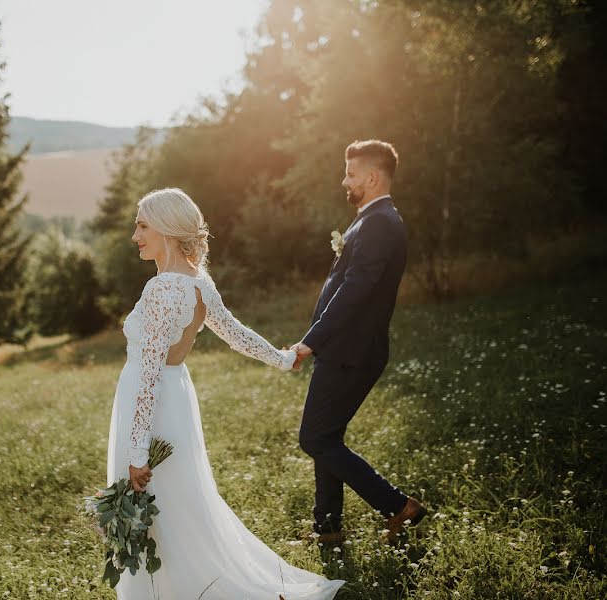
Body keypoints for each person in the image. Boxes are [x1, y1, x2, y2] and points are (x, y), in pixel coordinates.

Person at [106, 188, 344, 599]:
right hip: (175, 397)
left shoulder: (163, 290)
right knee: (181, 504)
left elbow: (148, 374)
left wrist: (138, 452)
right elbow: (236, 334)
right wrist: (282, 359)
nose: (135, 235)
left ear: (166, 227)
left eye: (142, 225)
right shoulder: (198, 283)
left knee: (161, 507)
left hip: (154, 404)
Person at [290, 140, 427, 546]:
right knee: (326, 438)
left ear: (371, 177)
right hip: (345, 350)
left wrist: (310, 342)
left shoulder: (381, 222)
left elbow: (354, 290)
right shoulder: (370, 220)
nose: (344, 180)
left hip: (352, 352)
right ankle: (328, 529)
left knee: (314, 439)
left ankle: (398, 505)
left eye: (350, 173)